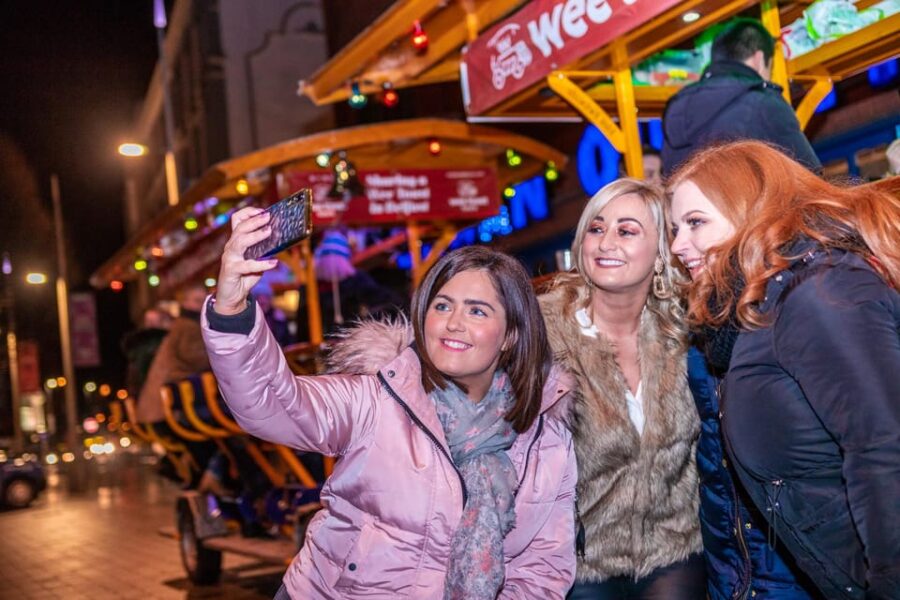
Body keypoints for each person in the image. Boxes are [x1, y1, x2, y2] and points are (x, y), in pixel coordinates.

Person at [202, 206, 577, 599]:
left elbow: (543, 569)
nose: (453, 322)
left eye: (477, 311)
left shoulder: (547, 440)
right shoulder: (376, 398)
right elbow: (273, 404)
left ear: (511, 335)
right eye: (443, 305)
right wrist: (231, 312)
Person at [667, 140, 900, 599]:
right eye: (675, 228)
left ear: (754, 209)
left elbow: (883, 446)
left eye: (696, 223)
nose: (678, 245)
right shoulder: (757, 309)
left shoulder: (819, 292)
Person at [539, 178, 704, 599]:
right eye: (596, 229)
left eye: (626, 231)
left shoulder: (688, 331)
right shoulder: (542, 336)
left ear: (660, 254)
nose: (605, 242)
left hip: (674, 546)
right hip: (578, 560)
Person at [661, 18, 821, 176]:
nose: (769, 76)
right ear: (759, 58)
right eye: (770, 68)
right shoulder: (763, 102)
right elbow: (809, 176)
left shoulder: (677, 108)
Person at [136, 285, 211, 423]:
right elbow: (194, 358)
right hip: (175, 402)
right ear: (185, 302)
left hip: (160, 403)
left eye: (203, 300)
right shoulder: (189, 325)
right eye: (197, 300)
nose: (201, 305)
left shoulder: (180, 324)